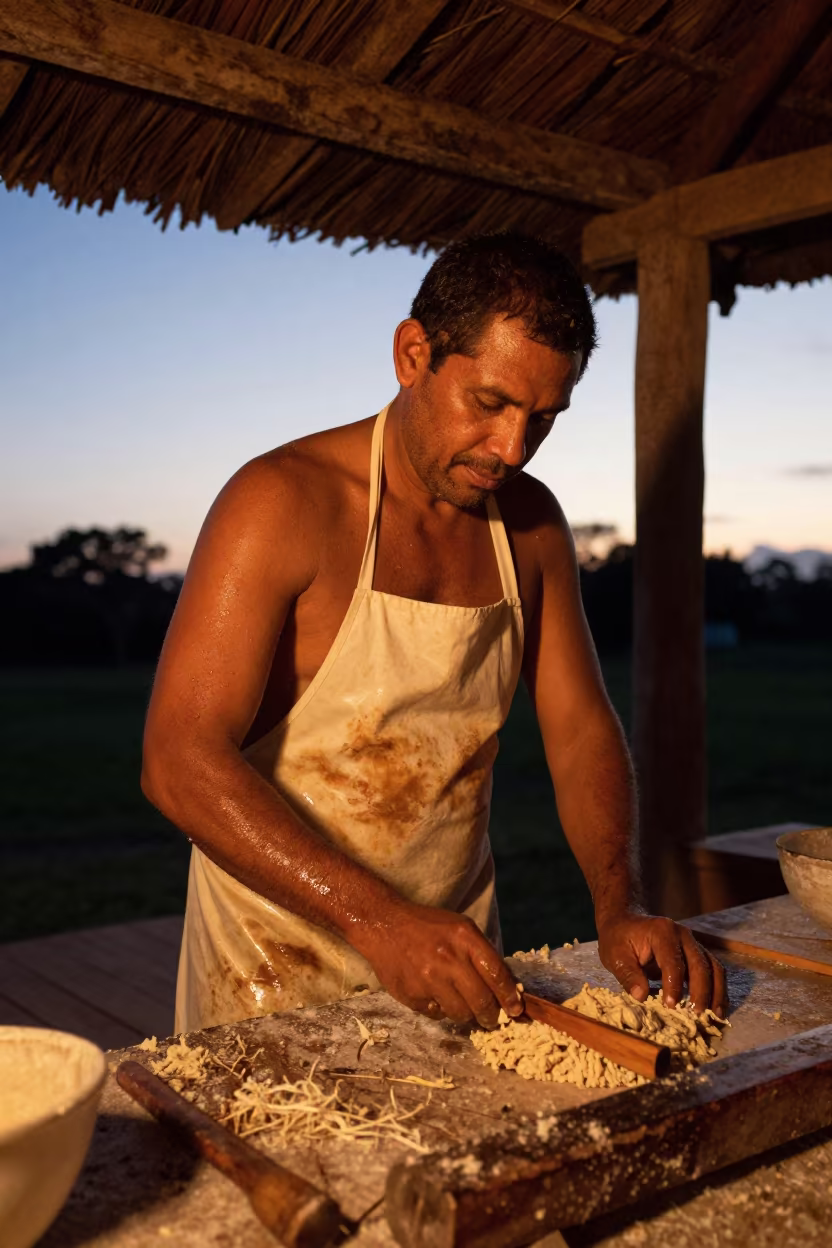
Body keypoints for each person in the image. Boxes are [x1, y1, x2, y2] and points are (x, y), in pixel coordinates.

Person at [142, 232, 726, 1034]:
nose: (512, 449)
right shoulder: (280, 502)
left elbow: (580, 728)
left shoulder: (532, 528)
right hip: (266, 973)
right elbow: (178, 759)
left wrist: (618, 903)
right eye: (489, 404)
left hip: (461, 966)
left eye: (542, 419)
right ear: (413, 354)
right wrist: (378, 920)